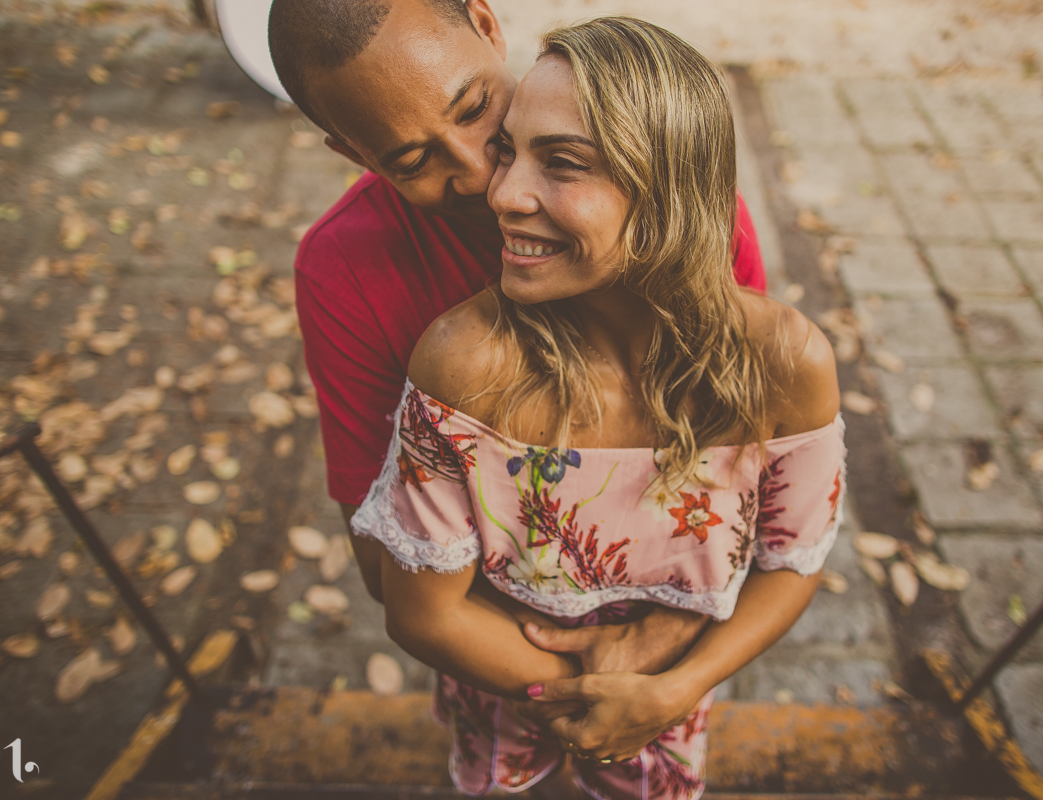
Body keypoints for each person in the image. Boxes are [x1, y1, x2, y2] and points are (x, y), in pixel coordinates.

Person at [350, 17, 843, 799]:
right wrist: (595, 696)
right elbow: (423, 615)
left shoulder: (784, 364)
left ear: (667, 185)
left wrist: (672, 691)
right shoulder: (466, 366)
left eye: (562, 164)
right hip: (499, 682)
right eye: (510, 150)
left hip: (672, 694)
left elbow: (792, 562)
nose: (502, 193)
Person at [267, 0, 769, 677]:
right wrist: (573, 690)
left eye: (475, 108)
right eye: (413, 160)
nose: (483, 179)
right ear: (355, 154)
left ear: (487, 24)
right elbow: (391, 569)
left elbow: (747, 463)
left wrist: (659, 660)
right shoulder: (345, 271)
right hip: (505, 653)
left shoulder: (668, 202)